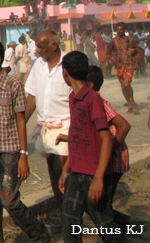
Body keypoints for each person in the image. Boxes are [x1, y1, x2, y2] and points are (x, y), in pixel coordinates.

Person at [0, 39, 50, 243]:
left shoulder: (13, 85)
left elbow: (21, 121)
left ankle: (39, 233)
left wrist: (24, 155)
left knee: (9, 200)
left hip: (10, 153)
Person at [57, 52, 122, 243]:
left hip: (92, 174)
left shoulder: (92, 99)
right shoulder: (73, 98)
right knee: (69, 225)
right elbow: (77, 136)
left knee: (105, 227)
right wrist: (66, 170)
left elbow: (106, 139)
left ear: (65, 72)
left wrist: (99, 178)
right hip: (75, 173)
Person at [24, 29, 71, 211]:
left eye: (41, 47)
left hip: (65, 126)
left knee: (64, 172)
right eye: (36, 47)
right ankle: (62, 210)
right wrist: (20, 122)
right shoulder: (38, 66)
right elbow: (32, 97)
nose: (38, 51)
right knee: (53, 170)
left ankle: (71, 213)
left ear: (54, 45)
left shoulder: (68, 63)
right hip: (45, 128)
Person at [84, 66, 133, 230]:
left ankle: (128, 228)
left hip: (114, 161)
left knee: (102, 205)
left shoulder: (99, 103)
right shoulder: (91, 101)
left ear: (89, 85)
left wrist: (110, 148)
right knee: (102, 205)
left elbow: (124, 126)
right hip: (108, 161)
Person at [107, 23, 140, 114]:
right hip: (119, 65)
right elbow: (108, 53)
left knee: (127, 83)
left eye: (121, 29)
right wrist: (114, 62)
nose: (119, 31)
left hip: (129, 64)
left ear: (124, 30)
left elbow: (138, 51)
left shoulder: (130, 40)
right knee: (123, 85)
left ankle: (132, 101)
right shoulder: (113, 41)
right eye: (118, 29)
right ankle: (130, 104)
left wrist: (134, 52)